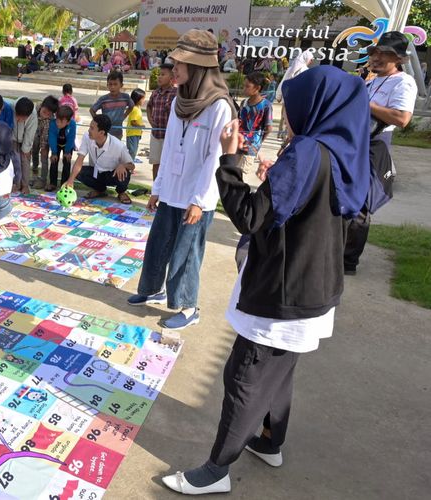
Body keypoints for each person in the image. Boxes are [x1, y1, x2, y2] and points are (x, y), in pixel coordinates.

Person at [162, 65, 370, 496]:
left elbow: (250, 217)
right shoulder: (341, 149)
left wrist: (230, 160)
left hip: (284, 288)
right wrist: (280, 175)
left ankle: (216, 471)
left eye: (291, 104)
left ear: (315, 106)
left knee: (246, 377)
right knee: (279, 370)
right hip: (315, 284)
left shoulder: (308, 151)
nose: (286, 113)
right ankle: (270, 441)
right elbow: (304, 204)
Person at [127, 29, 234, 330]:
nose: (174, 70)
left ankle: (188, 307)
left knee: (186, 253)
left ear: (198, 68)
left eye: (180, 65)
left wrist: (199, 201)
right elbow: (171, 144)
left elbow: (214, 159)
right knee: (159, 243)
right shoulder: (178, 101)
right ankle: (152, 289)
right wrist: (157, 188)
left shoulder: (219, 107)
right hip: (171, 190)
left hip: (196, 197)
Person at [344, 31, 418, 276]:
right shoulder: (371, 81)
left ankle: (348, 261)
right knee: (344, 195)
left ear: (397, 59)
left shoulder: (403, 82)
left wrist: (366, 104)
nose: (376, 59)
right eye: (374, 53)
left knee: (361, 204)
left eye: (383, 55)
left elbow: (402, 118)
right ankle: (337, 250)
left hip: (376, 145)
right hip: (356, 141)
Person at [62, 115, 134, 205]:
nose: (89, 130)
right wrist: (70, 180)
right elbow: (80, 159)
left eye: (92, 128)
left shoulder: (118, 145)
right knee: (79, 172)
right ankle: (100, 190)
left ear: (101, 132)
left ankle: (121, 192)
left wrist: (123, 165)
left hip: (113, 174)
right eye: (89, 127)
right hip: (97, 172)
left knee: (125, 172)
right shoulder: (87, 137)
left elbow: (132, 165)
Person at [237, 71, 273, 174]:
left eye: (247, 86)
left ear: (257, 88)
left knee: (241, 173)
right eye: (244, 86)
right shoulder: (244, 103)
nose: (244, 89)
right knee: (233, 171)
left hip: (250, 147)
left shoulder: (266, 105)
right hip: (238, 142)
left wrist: (258, 143)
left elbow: (269, 128)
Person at [146, 63, 175, 180]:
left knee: (168, 163)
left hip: (170, 135)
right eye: (159, 74)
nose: (159, 77)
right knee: (156, 162)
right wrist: (150, 119)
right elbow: (149, 106)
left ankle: (166, 189)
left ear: (172, 78)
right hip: (156, 134)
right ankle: (155, 188)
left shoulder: (176, 93)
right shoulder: (155, 93)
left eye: (163, 74)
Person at [91, 71, 134, 140]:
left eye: (115, 84)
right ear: (107, 85)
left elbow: (132, 106)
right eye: (110, 84)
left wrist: (124, 115)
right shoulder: (103, 99)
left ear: (121, 85)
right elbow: (92, 110)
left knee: (116, 149)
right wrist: (99, 122)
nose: (112, 87)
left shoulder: (125, 97)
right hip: (105, 133)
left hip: (118, 133)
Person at [31, 95, 60, 190]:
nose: (45, 115)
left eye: (48, 114)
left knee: (44, 157)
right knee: (33, 153)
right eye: (44, 112)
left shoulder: (50, 120)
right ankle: (34, 175)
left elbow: (45, 135)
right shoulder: (33, 110)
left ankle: (43, 180)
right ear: (42, 106)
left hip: (45, 138)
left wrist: (43, 147)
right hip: (33, 135)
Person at [46, 105, 77, 191]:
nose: (58, 123)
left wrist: (67, 152)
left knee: (67, 162)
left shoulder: (73, 124)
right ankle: (52, 183)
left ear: (68, 122)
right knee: (54, 161)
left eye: (61, 121)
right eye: (57, 120)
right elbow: (52, 138)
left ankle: (64, 183)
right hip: (56, 144)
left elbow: (71, 138)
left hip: (68, 145)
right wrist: (54, 152)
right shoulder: (53, 123)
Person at [13, 97, 37, 194]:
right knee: (14, 160)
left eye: (22, 118)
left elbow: (29, 135)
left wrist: (25, 149)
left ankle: (25, 185)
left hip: (25, 139)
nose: (18, 119)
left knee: (25, 159)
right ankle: (15, 184)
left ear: (28, 116)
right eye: (17, 116)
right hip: (13, 138)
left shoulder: (33, 117)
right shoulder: (12, 107)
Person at [125, 89, 145, 160]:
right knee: (132, 152)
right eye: (143, 98)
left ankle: (130, 167)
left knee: (134, 151)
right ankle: (128, 168)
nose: (144, 100)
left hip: (136, 134)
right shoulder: (135, 109)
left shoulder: (138, 108)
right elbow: (133, 122)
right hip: (132, 134)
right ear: (138, 98)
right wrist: (141, 126)